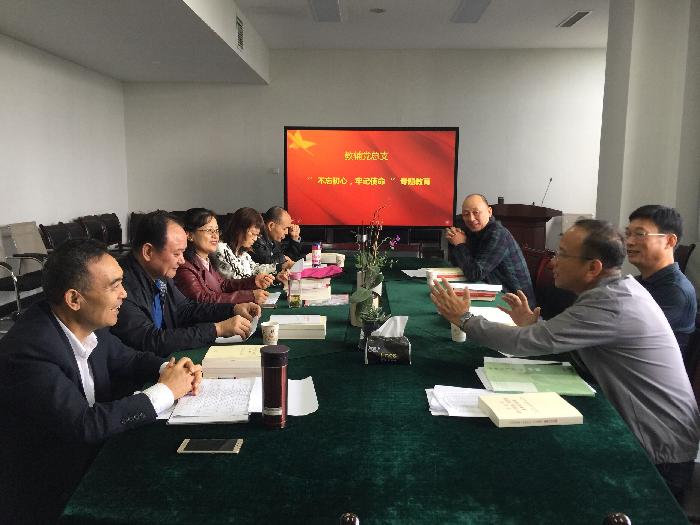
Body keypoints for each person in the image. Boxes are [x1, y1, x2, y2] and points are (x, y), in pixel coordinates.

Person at [430, 219, 700, 498]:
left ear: (593, 268)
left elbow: (523, 343)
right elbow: (558, 339)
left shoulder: (610, 303)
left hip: (658, 454)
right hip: (657, 436)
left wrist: (465, 319)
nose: (552, 262)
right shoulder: (615, 291)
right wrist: (534, 326)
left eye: (562, 254)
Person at [0, 239, 202, 525]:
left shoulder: (86, 323)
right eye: (114, 286)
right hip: (51, 492)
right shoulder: (29, 351)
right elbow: (84, 424)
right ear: (74, 299)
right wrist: (166, 390)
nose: (124, 294)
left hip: (91, 457)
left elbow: (129, 359)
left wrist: (170, 369)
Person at [112, 211, 260, 357]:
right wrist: (217, 329)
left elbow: (185, 309)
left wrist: (233, 309)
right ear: (148, 251)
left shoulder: (159, 274)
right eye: (176, 254)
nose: (182, 260)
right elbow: (151, 340)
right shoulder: (120, 286)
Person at [626, 205, 697, 360]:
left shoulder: (675, 291)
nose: (629, 242)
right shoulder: (637, 283)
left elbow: (627, 338)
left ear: (669, 241)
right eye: (628, 234)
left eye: (640, 234)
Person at [446, 193, 535, 305]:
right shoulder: (475, 231)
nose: (471, 218)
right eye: (466, 214)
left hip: (517, 305)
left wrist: (460, 245)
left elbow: (474, 274)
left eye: (476, 212)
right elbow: (460, 266)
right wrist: (455, 240)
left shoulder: (497, 234)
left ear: (489, 211)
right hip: (493, 294)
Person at [174, 208, 274, 305]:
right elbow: (202, 299)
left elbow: (223, 285)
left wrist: (253, 281)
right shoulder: (184, 266)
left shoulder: (206, 260)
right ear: (189, 235)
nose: (215, 236)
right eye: (209, 230)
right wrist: (249, 296)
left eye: (216, 230)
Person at [213, 207, 289, 281]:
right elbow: (237, 279)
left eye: (257, 235)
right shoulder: (221, 249)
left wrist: (280, 268)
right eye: (253, 234)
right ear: (239, 230)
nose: (255, 239)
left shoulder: (243, 253)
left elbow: (255, 269)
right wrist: (258, 280)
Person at [250, 206, 304, 271]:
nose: (287, 232)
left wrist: (294, 238)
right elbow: (265, 264)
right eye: (284, 228)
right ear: (271, 226)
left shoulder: (274, 240)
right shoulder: (255, 239)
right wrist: (283, 258)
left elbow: (288, 260)